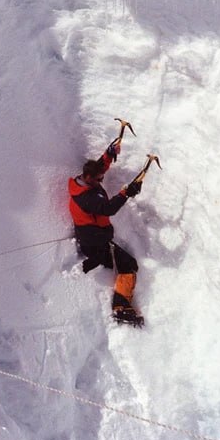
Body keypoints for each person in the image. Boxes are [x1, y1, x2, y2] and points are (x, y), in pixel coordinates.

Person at [68, 138, 144, 326]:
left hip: (98, 240)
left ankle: (121, 303)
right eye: (98, 179)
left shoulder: (84, 181)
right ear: (87, 177)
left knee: (126, 263)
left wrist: (109, 154)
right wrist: (126, 193)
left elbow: (99, 167)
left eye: (101, 177)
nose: (101, 180)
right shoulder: (87, 198)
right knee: (128, 264)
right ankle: (120, 308)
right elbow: (109, 208)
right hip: (95, 245)